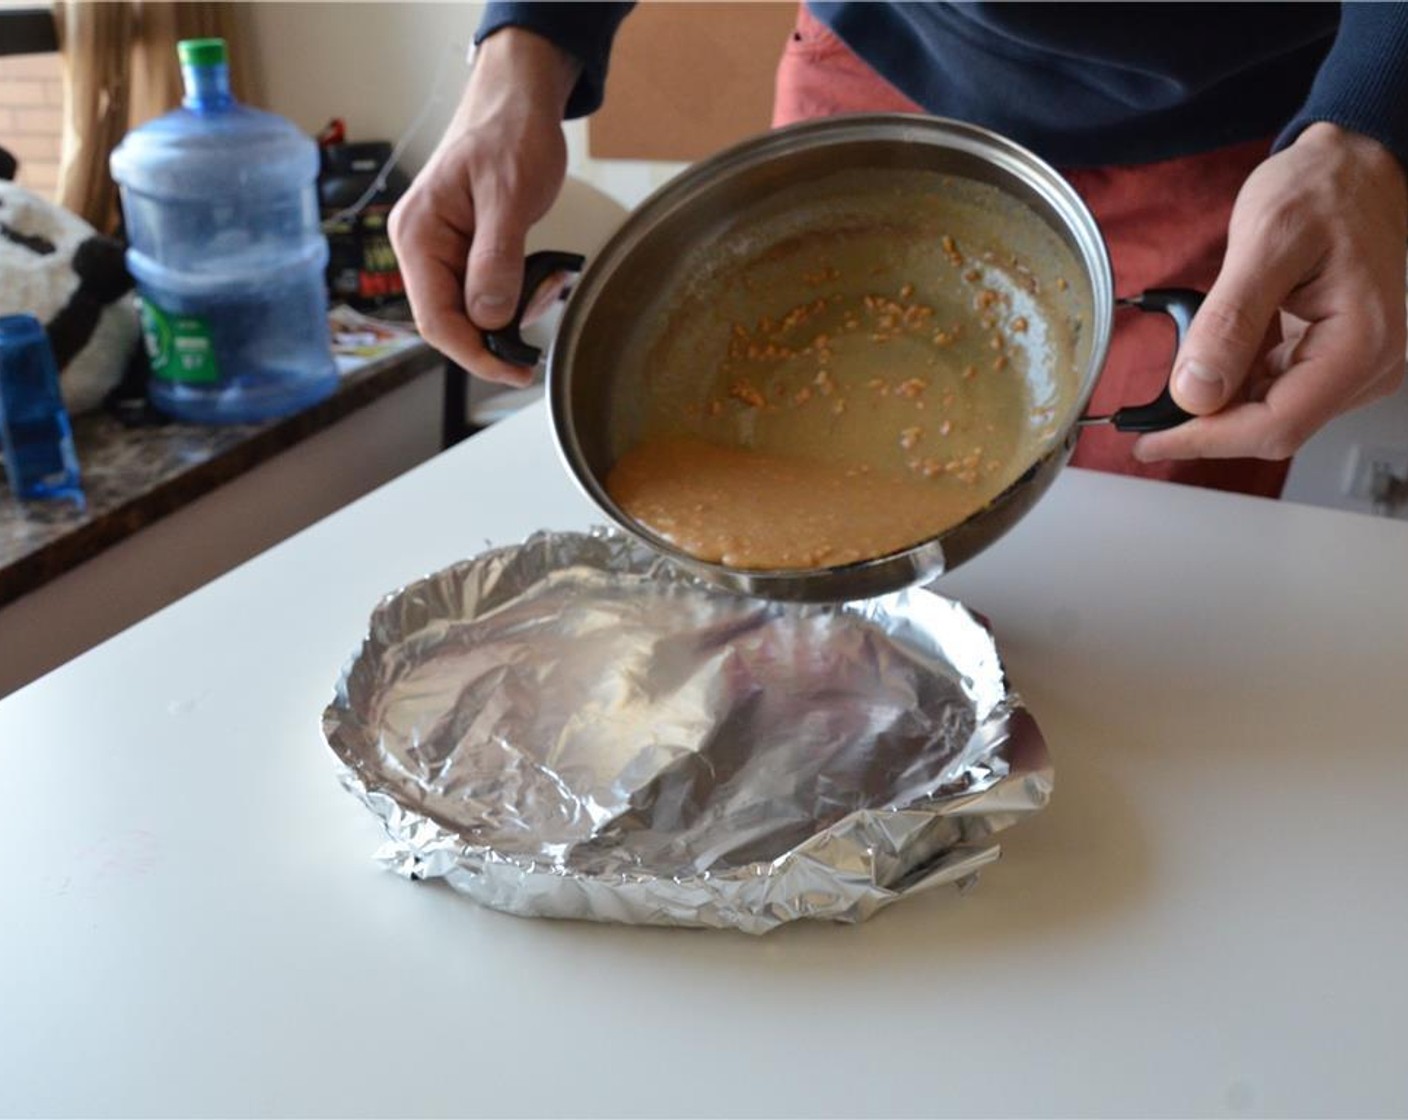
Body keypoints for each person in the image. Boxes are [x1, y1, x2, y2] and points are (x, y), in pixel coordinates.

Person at [389, 2, 1408, 497]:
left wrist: (1379, 119)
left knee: (1151, 572)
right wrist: (523, 50)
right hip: (887, 54)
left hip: (1245, 123)